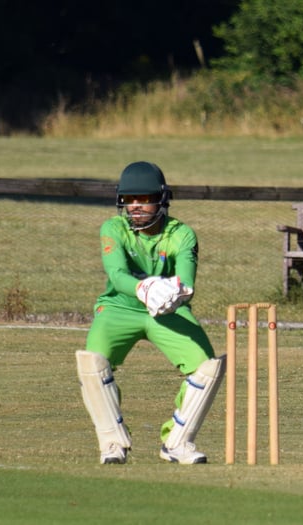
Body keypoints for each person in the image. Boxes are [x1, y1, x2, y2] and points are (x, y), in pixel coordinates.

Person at [75, 161, 224, 465]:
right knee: (92, 363)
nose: (136, 207)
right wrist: (143, 289)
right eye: (129, 200)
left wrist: (176, 295)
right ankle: (112, 444)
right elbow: (117, 275)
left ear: (161, 199)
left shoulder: (181, 234)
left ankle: (178, 442)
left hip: (166, 311)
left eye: (143, 199)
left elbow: (186, 282)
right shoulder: (113, 228)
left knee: (207, 368)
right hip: (120, 305)